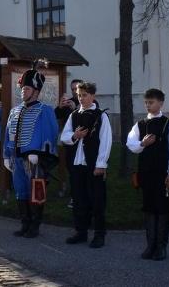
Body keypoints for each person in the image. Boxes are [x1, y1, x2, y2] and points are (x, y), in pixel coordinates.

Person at [3, 65, 59, 238]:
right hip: (16, 159)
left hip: (34, 160)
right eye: (22, 88)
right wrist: (6, 156)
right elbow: (8, 134)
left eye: (27, 88)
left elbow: (51, 134)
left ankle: (35, 226)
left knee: (36, 192)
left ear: (36, 91)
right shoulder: (14, 111)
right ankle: (25, 224)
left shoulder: (45, 110)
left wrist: (40, 153)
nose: (23, 91)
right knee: (21, 191)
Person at [126, 88, 169, 261]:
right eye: (146, 102)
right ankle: (150, 245)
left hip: (163, 174)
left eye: (151, 102)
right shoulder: (140, 125)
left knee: (163, 208)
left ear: (161, 103)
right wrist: (142, 144)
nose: (148, 105)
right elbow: (130, 143)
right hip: (146, 173)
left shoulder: (168, 124)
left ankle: (161, 246)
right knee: (149, 208)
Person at [61, 81, 112, 248]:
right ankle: (81, 232)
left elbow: (106, 141)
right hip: (77, 164)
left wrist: (101, 164)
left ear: (92, 96)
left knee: (97, 200)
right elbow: (64, 136)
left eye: (84, 95)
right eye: (79, 95)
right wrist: (74, 136)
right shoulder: (74, 115)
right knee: (79, 199)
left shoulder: (100, 116)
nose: (81, 98)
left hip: (93, 164)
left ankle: (99, 234)